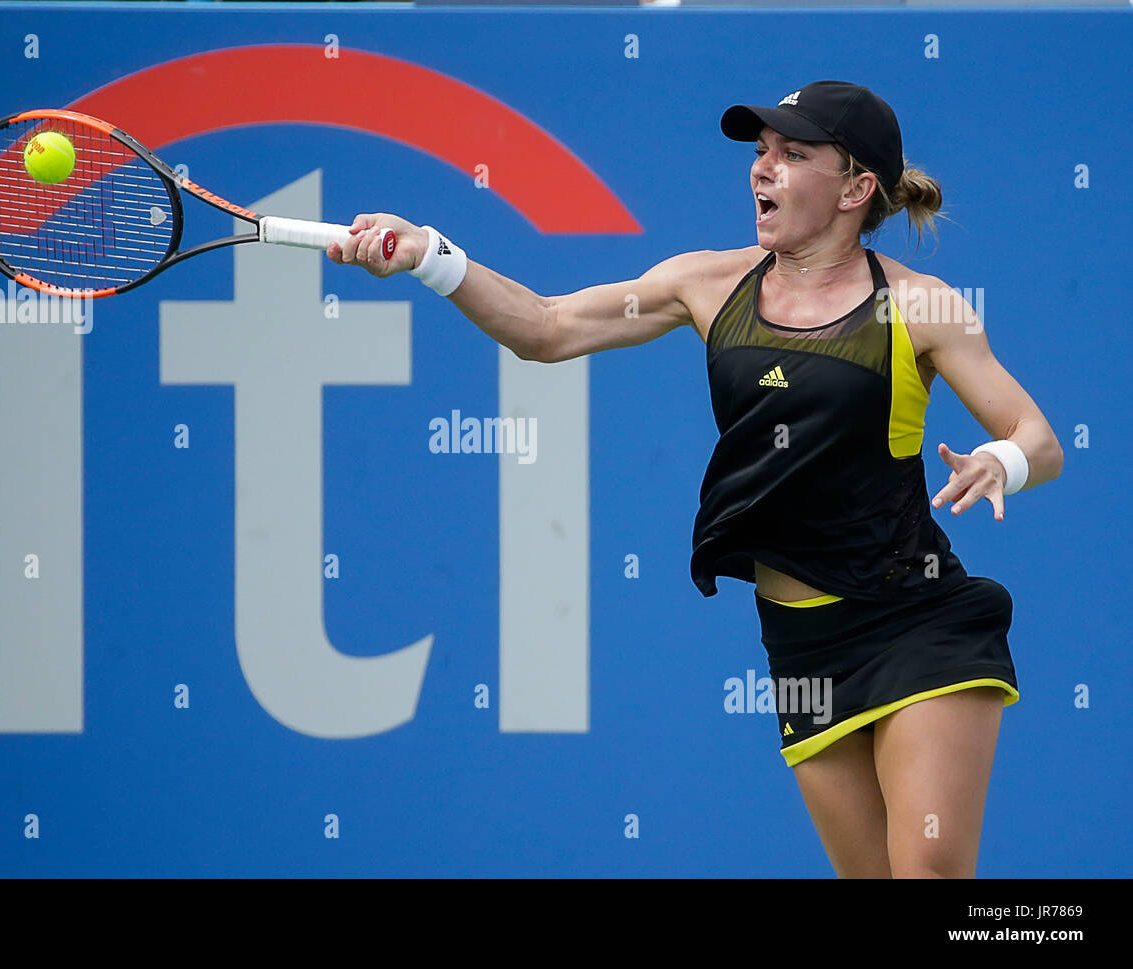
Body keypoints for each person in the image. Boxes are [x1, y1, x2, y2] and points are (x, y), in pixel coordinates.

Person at [326, 80, 1063, 878]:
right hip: (803, 647)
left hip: (919, 623)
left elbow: (1040, 439)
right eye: (760, 152)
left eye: (793, 154)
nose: (764, 170)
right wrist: (432, 254)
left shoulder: (924, 307)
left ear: (856, 189)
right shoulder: (707, 283)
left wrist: (1002, 459)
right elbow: (545, 327)